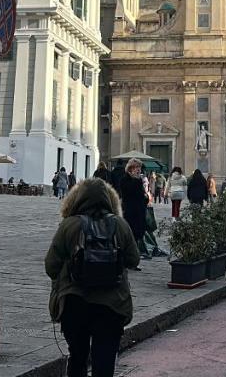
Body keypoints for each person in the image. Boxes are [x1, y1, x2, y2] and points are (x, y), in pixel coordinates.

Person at [45, 178, 140, 377]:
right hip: (112, 305)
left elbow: (51, 265)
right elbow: (134, 260)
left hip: (75, 303)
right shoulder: (120, 225)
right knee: (104, 360)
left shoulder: (69, 225)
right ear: (109, 200)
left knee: (77, 356)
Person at [116, 159, 149, 264]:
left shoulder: (138, 180)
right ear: (130, 168)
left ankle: (133, 259)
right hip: (130, 211)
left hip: (139, 211)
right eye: (136, 168)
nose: (139, 170)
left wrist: (146, 197)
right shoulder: (125, 179)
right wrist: (137, 181)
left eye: (139, 168)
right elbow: (128, 192)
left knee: (137, 236)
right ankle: (130, 259)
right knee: (130, 235)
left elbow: (142, 196)